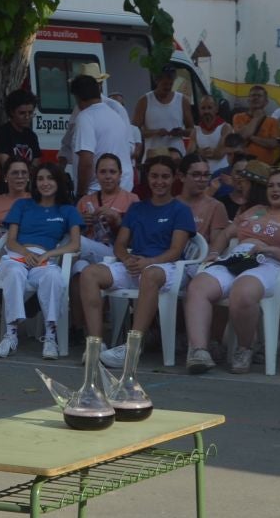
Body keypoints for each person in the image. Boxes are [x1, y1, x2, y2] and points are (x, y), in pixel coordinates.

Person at [181, 168, 280, 373]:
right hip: (239, 258)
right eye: (271, 186)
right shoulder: (255, 210)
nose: (275, 190)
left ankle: (244, 348)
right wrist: (214, 252)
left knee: (243, 291)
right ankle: (199, 352)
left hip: (273, 263)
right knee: (198, 286)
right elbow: (226, 234)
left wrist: (270, 249)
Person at [79, 155, 195, 368]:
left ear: (173, 179)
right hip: (136, 265)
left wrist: (149, 262)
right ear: (147, 178)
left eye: (165, 177)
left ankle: (132, 347)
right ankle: (95, 344)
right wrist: (126, 259)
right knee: (89, 274)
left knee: (149, 274)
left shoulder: (181, 210)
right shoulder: (137, 208)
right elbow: (120, 244)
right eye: (154, 176)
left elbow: (176, 251)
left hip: (167, 268)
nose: (159, 181)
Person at [0, 161, 83, 358]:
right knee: (14, 273)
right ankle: (10, 335)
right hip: (17, 255)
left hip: (44, 258)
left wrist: (48, 254)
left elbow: (75, 244)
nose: (45, 183)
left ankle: (50, 337)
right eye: (40, 179)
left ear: (58, 182)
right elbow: (11, 240)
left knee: (53, 277)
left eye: (50, 178)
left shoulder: (68, 210)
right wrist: (26, 253)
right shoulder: (22, 205)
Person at [69, 74, 139, 195]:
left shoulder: (85, 117)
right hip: (124, 186)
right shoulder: (115, 114)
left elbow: (86, 162)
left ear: (78, 97)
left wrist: (80, 194)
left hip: (99, 191)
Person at [73, 152, 135, 270]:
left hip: (117, 253)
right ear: (96, 174)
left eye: (112, 172)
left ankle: (51, 260)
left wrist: (117, 221)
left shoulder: (132, 200)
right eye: (103, 172)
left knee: (76, 241)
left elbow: (137, 236)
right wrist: (80, 223)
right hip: (90, 252)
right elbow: (75, 230)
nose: (108, 176)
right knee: (79, 266)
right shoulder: (85, 200)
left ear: (120, 174)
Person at [178, 152, 232, 256]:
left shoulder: (216, 206)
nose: (202, 180)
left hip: (198, 260)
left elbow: (216, 246)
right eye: (196, 175)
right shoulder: (171, 204)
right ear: (182, 176)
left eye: (206, 175)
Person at [134, 68, 193, 160]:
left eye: (171, 84)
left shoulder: (182, 100)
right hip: (153, 157)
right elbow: (134, 131)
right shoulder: (145, 101)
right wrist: (155, 132)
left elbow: (192, 130)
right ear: (157, 81)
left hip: (177, 158)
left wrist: (181, 132)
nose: (168, 87)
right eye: (165, 84)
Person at [0, 89, 42, 185]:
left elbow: (37, 159)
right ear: (12, 112)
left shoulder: (31, 136)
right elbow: (6, 164)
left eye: (30, 113)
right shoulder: (3, 133)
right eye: (22, 113)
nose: (27, 117)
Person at [230, 84, 280, 167]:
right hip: (242, 165)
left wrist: (251, 137)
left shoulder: (273, 121)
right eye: (253, 95)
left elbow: (273, 144)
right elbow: (242, 136)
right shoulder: (238, 117)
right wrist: (256, 118)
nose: (256, 98)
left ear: (266, 101)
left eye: (259, 95)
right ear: (248, 100)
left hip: (264, 167)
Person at [0, 155, 33, 224]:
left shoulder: (36, 200)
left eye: (24, 172)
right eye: (15, 173)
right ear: (5, 177)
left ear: (28, 176)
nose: (20, 176)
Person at [192, 95, 231, 175]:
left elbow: (219, 153)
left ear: (216, 109)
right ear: (199, 110)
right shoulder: (195, 130)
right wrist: (199, 152)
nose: (206, 111)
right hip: (202, 175)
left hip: (222, 174)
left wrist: (198, 152)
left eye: (209, 108)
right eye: (203, 108)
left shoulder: (226, 127)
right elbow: (189, 155)